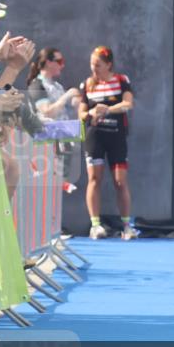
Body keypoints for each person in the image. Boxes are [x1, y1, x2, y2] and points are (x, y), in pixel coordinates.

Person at [77, 46, 136, 240]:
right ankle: (95, 225)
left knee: (120, 181)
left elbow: (128, 103)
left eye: (98, 65)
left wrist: (107, 109)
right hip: (95, 137)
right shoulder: (87, 84)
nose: (94, 68)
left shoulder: (121, 80)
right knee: (94, 179)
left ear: (109, 64)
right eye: (92, 64)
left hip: (116, 136)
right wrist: (91, 112)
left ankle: (127, 226)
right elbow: (81, 114)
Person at [27, 47, 80, 120]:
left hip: (61, 126)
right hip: (46, 127)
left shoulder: (57, 86)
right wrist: (67, 95)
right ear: (48, 63)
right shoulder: (36, 85)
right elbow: (47, 113)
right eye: (60, 62)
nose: (62, 65)